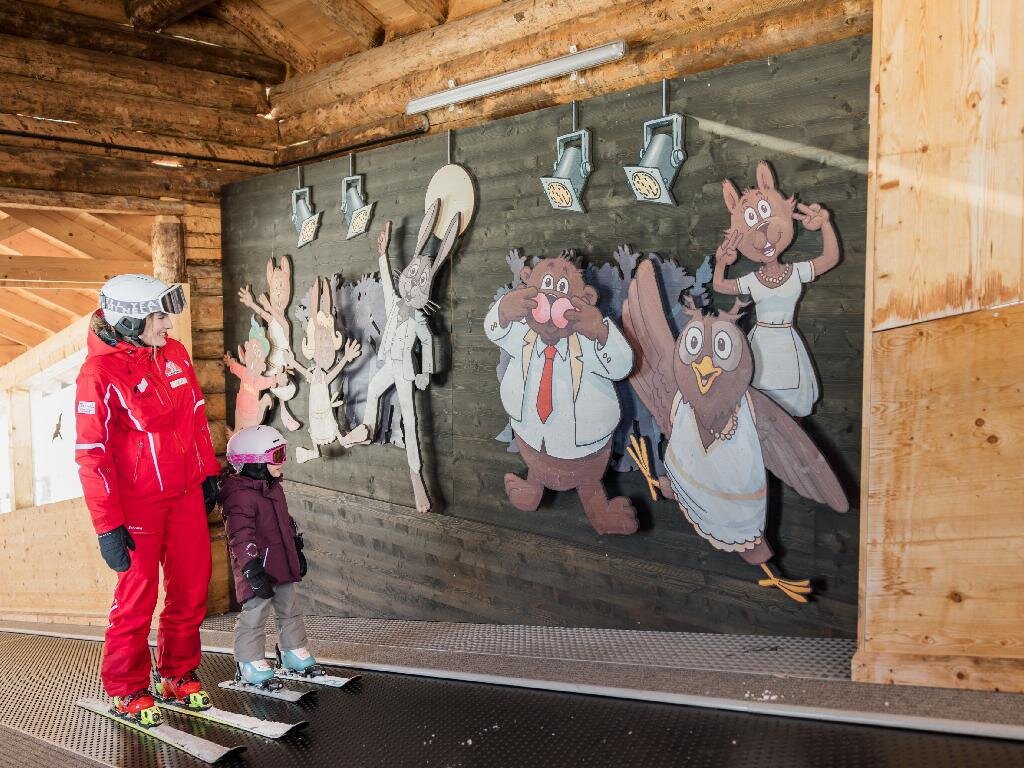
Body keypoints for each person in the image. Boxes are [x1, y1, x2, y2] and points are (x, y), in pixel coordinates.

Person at [74, 274, 221, 726]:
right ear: (128, 321)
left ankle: (177, 673)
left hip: (184, 495)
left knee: (192, 587)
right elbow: (91, 454)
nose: (168, 326)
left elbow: (196, 415)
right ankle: (127, 687)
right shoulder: (98, 374)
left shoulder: (173, 354)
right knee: (138, 597)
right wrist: (107, 526)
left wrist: (207, 473)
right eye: (158, 317)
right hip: (137, 505)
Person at [221, 425, 321, 685]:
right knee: (256, 612)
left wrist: (295, 548)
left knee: (290, 608)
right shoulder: (239, 496)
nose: (282, 461)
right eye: (277, 456)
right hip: (257, 568)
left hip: (281, 562)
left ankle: (292, 651)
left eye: (283, 453)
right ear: (253, 461)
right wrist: (252, 569)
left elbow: (285, 522)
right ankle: (249, 661)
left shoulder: (274, 487)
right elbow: (240, 536)